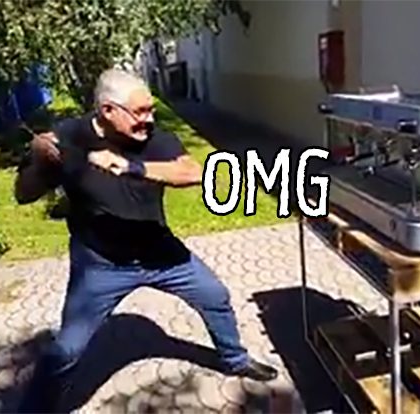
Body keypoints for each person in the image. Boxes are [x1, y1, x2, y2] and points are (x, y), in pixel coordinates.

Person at [15, 68, 277, 412]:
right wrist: (39, 163)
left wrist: (130, 167)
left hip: (160, 253)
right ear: (108, 111)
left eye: (150, 109)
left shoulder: (153, 138)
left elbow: (193, 172)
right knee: (66, 350)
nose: (149, 119)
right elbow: (24, 194)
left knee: (215, 296)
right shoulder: (69, 137)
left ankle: (235, 359)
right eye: (140, 112)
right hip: (100, 266)